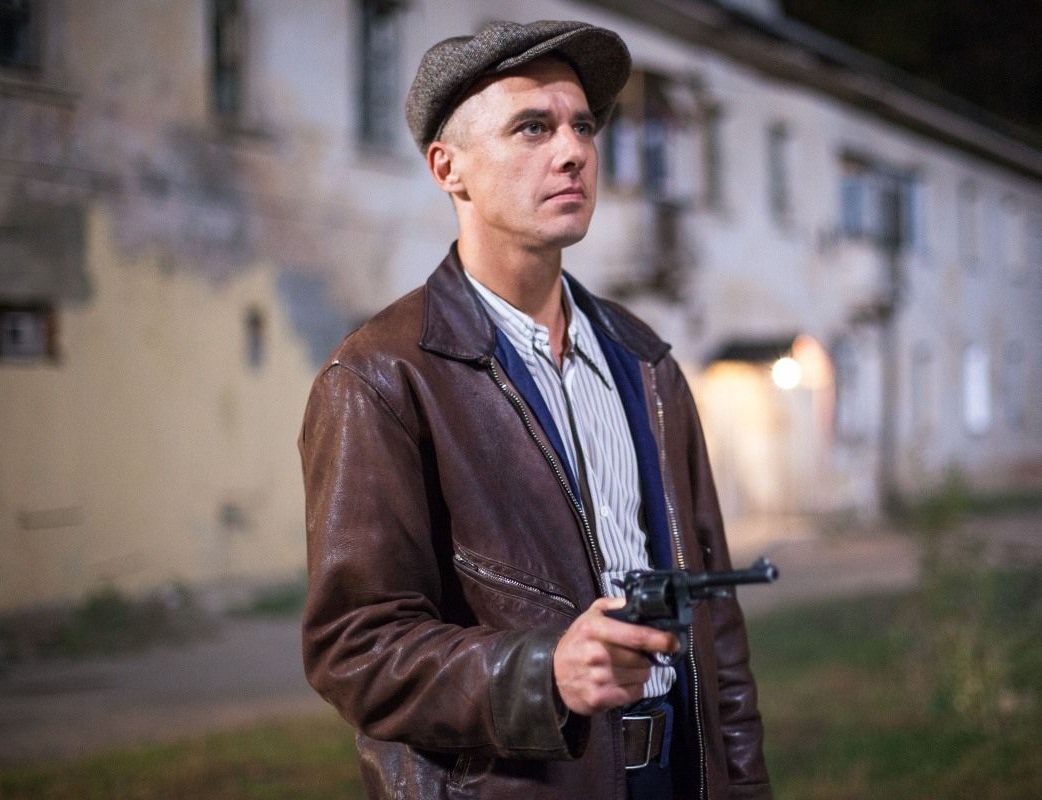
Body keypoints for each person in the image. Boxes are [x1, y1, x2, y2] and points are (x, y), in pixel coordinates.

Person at [299, 19, 771, 800]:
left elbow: (715, 629)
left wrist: (742, 786)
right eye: (531, 127)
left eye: (582, 126)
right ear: (448, 168)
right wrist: (542, 671)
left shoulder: (644, 361)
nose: (572, 151)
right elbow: (355, 648)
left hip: (677, 776)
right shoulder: (381, 375)